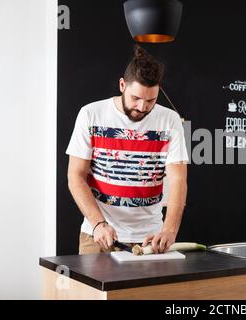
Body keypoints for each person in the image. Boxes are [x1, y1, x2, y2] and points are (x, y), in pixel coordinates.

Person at [66, 45, 188, 255]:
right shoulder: (90, 114)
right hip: (97, 235)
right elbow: (75, 176)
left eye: (151, 100)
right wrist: (98, 224)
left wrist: (169, 230)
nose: (142, 107)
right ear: (122, 85)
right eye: (136, 98)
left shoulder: (170, 120)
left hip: (150, 239)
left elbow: (178, 180)